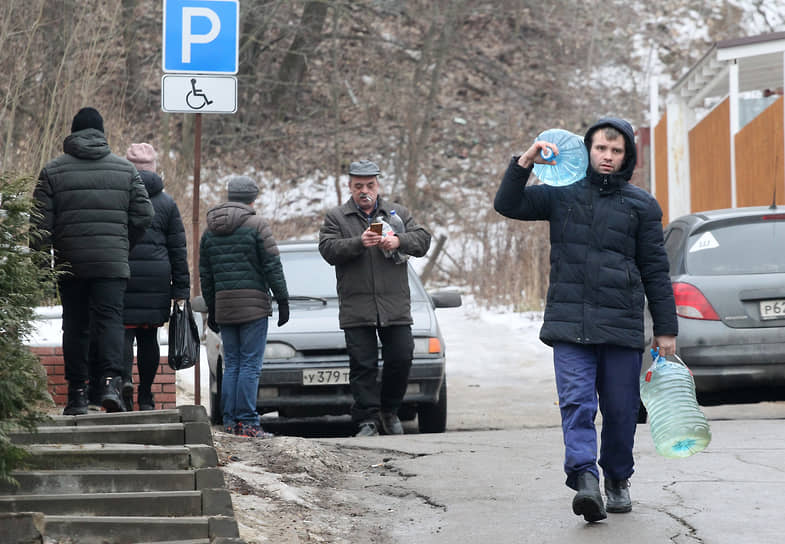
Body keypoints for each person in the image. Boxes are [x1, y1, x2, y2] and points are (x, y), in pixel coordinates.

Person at [493, 117, 678, 522]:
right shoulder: (561, 194)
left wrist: (665, 330)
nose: (607, 157)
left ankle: (616, 477)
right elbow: (508, 204)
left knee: (620, 409)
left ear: (627, 156)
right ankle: (585, 479)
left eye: (616, 151)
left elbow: (655, 271)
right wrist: (526, 159)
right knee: (576, 403)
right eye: (601, 149)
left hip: (621, 325)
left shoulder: (642, 206)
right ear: (588, 149)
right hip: (570, 323)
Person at [31, 107, 154, 415]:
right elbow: (145, 215)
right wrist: (122, 244)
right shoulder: (125, 171)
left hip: (70, 263)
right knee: (110, 320)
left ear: (72, 133)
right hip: (112, 263)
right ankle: (112, 382)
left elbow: (38, 227)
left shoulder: (52, 171)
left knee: (75, 326)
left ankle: (76, 395)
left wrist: (43, 268)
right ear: (101, 133)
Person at [318, 160, 432, 437]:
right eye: (358, 186)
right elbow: (327, 249)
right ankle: (366, 419)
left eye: (369, 185)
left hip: (395, 306)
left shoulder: (396, 213)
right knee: (362, 365)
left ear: (378, 185)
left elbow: (423, 239)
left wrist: (399, 241)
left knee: (401, 358)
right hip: (357, 307)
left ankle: (390, 411)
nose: (364, 191)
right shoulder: (337, 217)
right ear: (350, 187)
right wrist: (359, 242)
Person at [199, 175, 289, 438]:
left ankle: (231, 422)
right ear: (253, 198)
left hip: (225, 306)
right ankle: (248, 423)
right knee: (250, 365)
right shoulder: (258, 224)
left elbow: (206, 275)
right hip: (253, 307)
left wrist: (212, 308)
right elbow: (272, 265)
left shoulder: (209, 230)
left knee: (233, 364)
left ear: (229, 196)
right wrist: (282, 299)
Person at [121, 143, 190, 411]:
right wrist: (181, 290)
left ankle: (124, 382)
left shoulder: (119, 197)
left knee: (124, 335)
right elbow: (178, 248)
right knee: (149, 339)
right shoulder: (167, 202)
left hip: (123, 275)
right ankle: (147, 395)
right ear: (154, 168)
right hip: (157, 280)